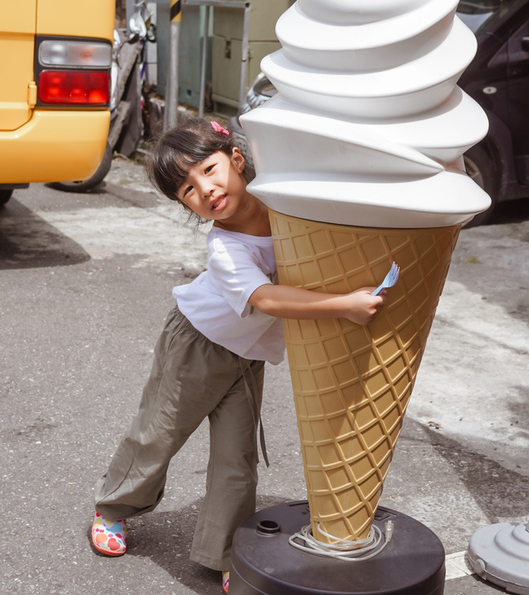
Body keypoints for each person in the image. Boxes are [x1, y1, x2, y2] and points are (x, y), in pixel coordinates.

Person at [91, 117, 385, 594]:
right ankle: (112, 509)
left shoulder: (283, 206)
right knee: (159, 433)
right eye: (187, 190)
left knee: (237, 458)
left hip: (246, 357)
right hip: (197, 343)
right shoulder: (224, 247)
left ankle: (225, 553)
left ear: (237, 159)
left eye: (208, 169)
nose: (205, 190)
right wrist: (344, 307)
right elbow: (267, 299)